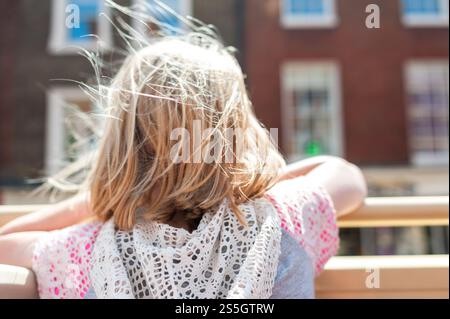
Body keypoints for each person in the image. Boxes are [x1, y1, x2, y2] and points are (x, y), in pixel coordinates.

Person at [0, 34, 367, 299]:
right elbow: (344, 175)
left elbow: (5, 243)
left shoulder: (86, 249)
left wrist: (99, 202)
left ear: (121, 150)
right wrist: (246, 181)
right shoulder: (283, 216)